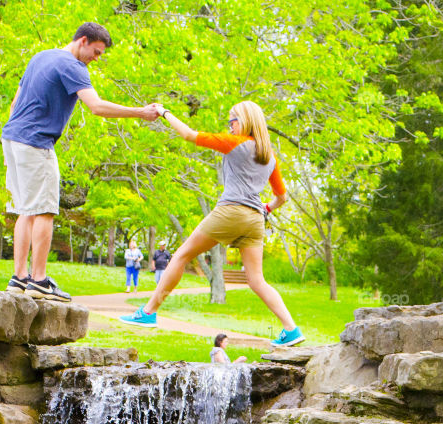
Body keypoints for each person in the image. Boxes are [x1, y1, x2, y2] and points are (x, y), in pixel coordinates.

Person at [120, 100, 306, 347]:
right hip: (254, 220)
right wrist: (267, 208)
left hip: (231, 212)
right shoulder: (269, 157)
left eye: (233, 120)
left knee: (181, 256)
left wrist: (165, 112)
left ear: (246, 121)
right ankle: (291, 329)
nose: (229, 125)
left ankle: (148, 312)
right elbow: (281, 197)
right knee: (257, 280)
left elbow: (188, 134)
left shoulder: (235, 144)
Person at [2, 23, 159, 302]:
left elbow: (15, 105)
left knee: (25, 209)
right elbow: (96, 107)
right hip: (36, 142)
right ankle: (38, 281)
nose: (96, 59)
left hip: (12, 138)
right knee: (45, 209)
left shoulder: (40, 56)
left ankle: (19, 278)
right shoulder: (73, 66)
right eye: (96, 52)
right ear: (83, 41)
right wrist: (140, 112)